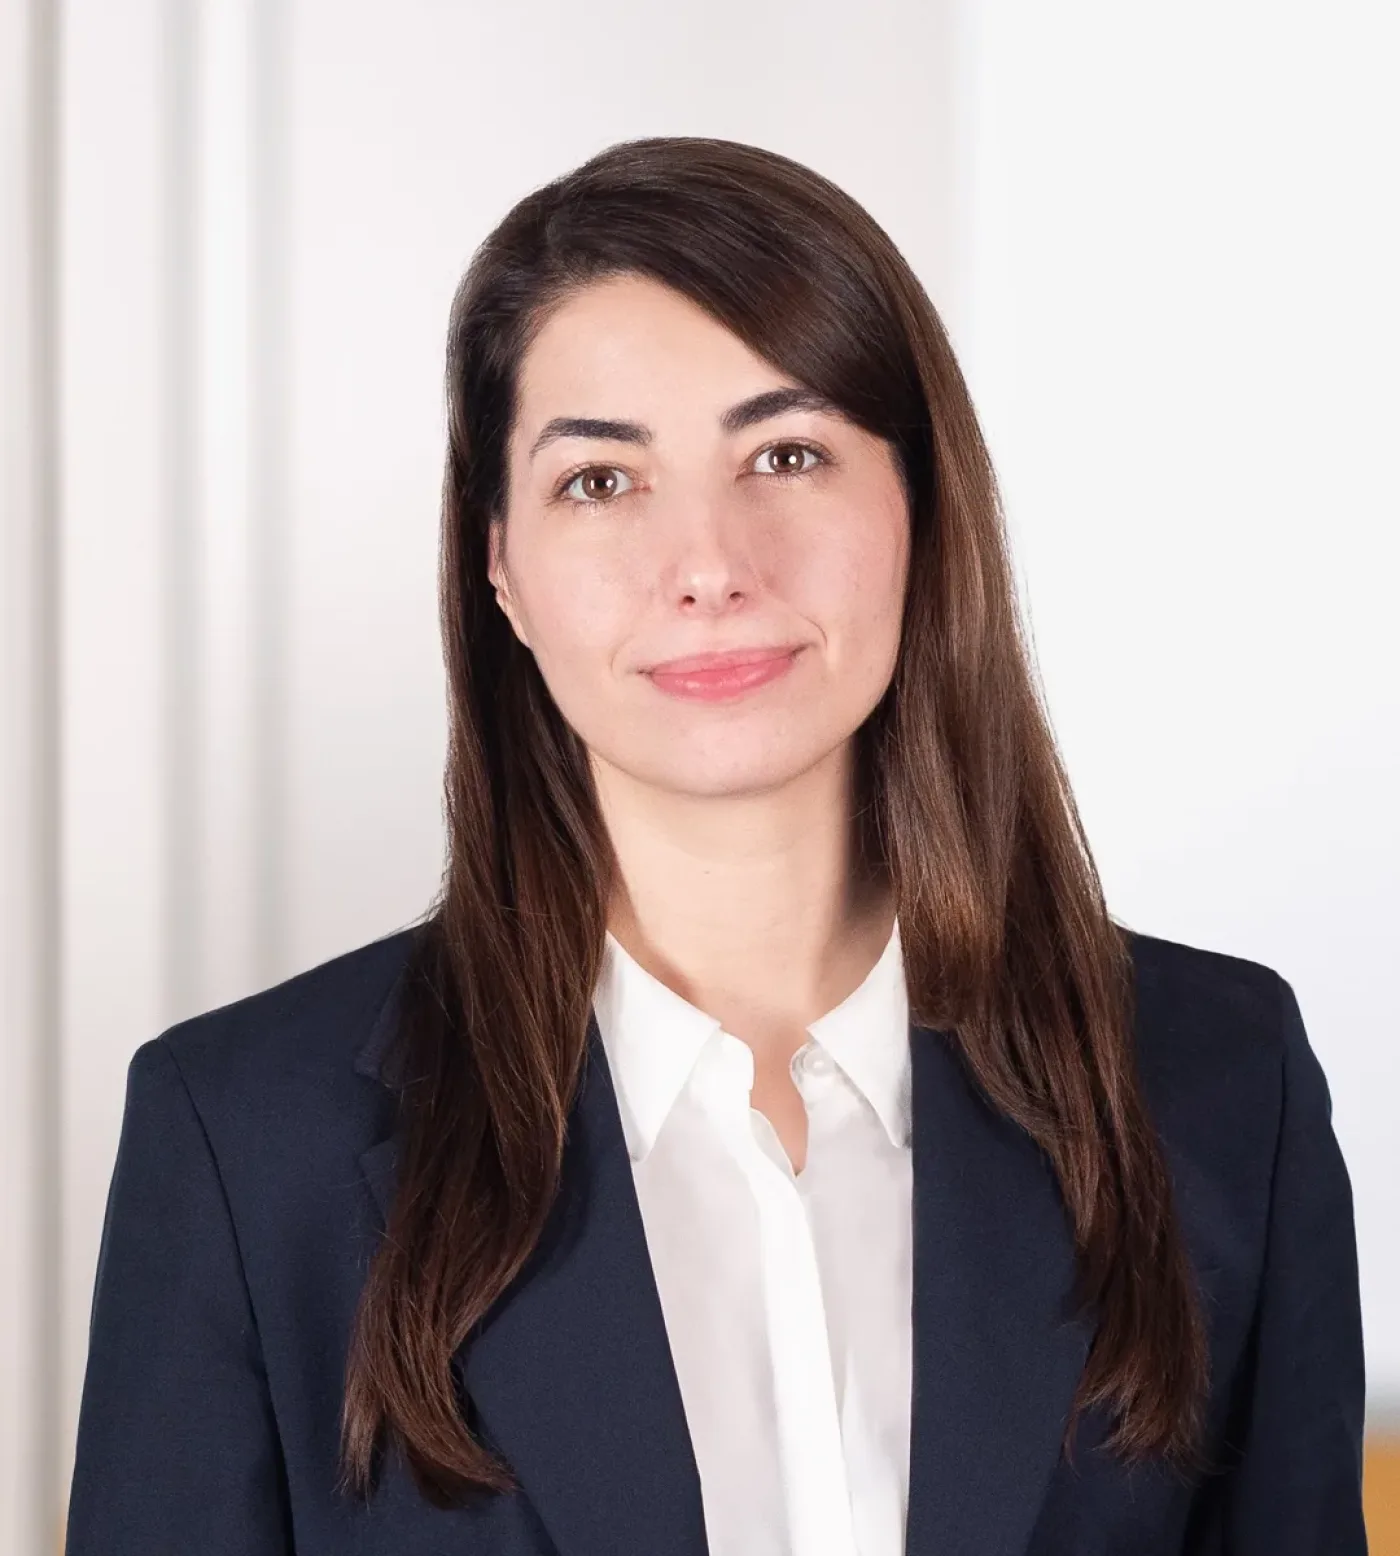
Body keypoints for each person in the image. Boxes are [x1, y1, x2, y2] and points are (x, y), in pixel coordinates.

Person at [64, 136, 1367, 1555]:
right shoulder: (247, 1144)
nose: (708, 565)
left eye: (786, 455)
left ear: (921, 506)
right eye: (600, 481)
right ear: (499, 562)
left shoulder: (1220, 1088)